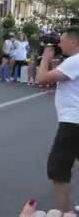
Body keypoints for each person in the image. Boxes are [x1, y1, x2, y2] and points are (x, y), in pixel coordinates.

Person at [36, 26, 79, 214]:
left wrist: (45, 58)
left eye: (62, 40)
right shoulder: (72, 62)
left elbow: (42, 79)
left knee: (58, 169)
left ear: (74, 42)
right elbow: (58, 79)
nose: (59, 44)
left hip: (72, 123)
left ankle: (63, 212)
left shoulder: (75, 61)